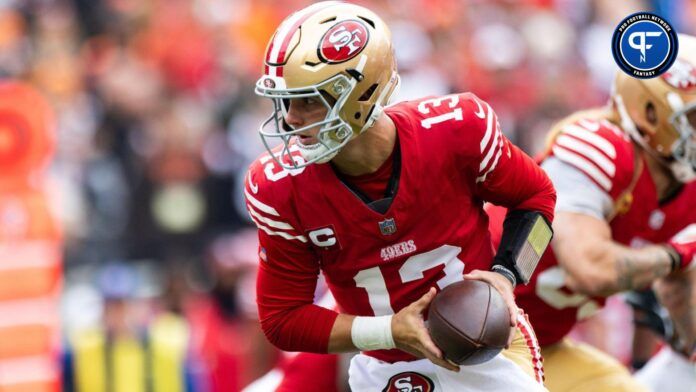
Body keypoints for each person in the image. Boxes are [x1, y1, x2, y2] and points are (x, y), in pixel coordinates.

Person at [244, 1, 556, 390]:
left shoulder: (456, 131)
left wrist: (507, 275)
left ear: (361, 93)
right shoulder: (279, 186)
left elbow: (538, 197)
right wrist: (389, 331)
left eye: (308, 100)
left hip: (488, 351)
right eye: (287, 101)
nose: (290, 118)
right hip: (385, 366)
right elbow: (281, 319)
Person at [486, 33, 696, 392]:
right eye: (691, 117)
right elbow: (590, 268)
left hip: (543, 343)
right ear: (649, 111)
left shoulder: (684, 184)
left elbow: (675, 288)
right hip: (474, 331)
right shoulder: (600, 145)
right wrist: (678, 254)